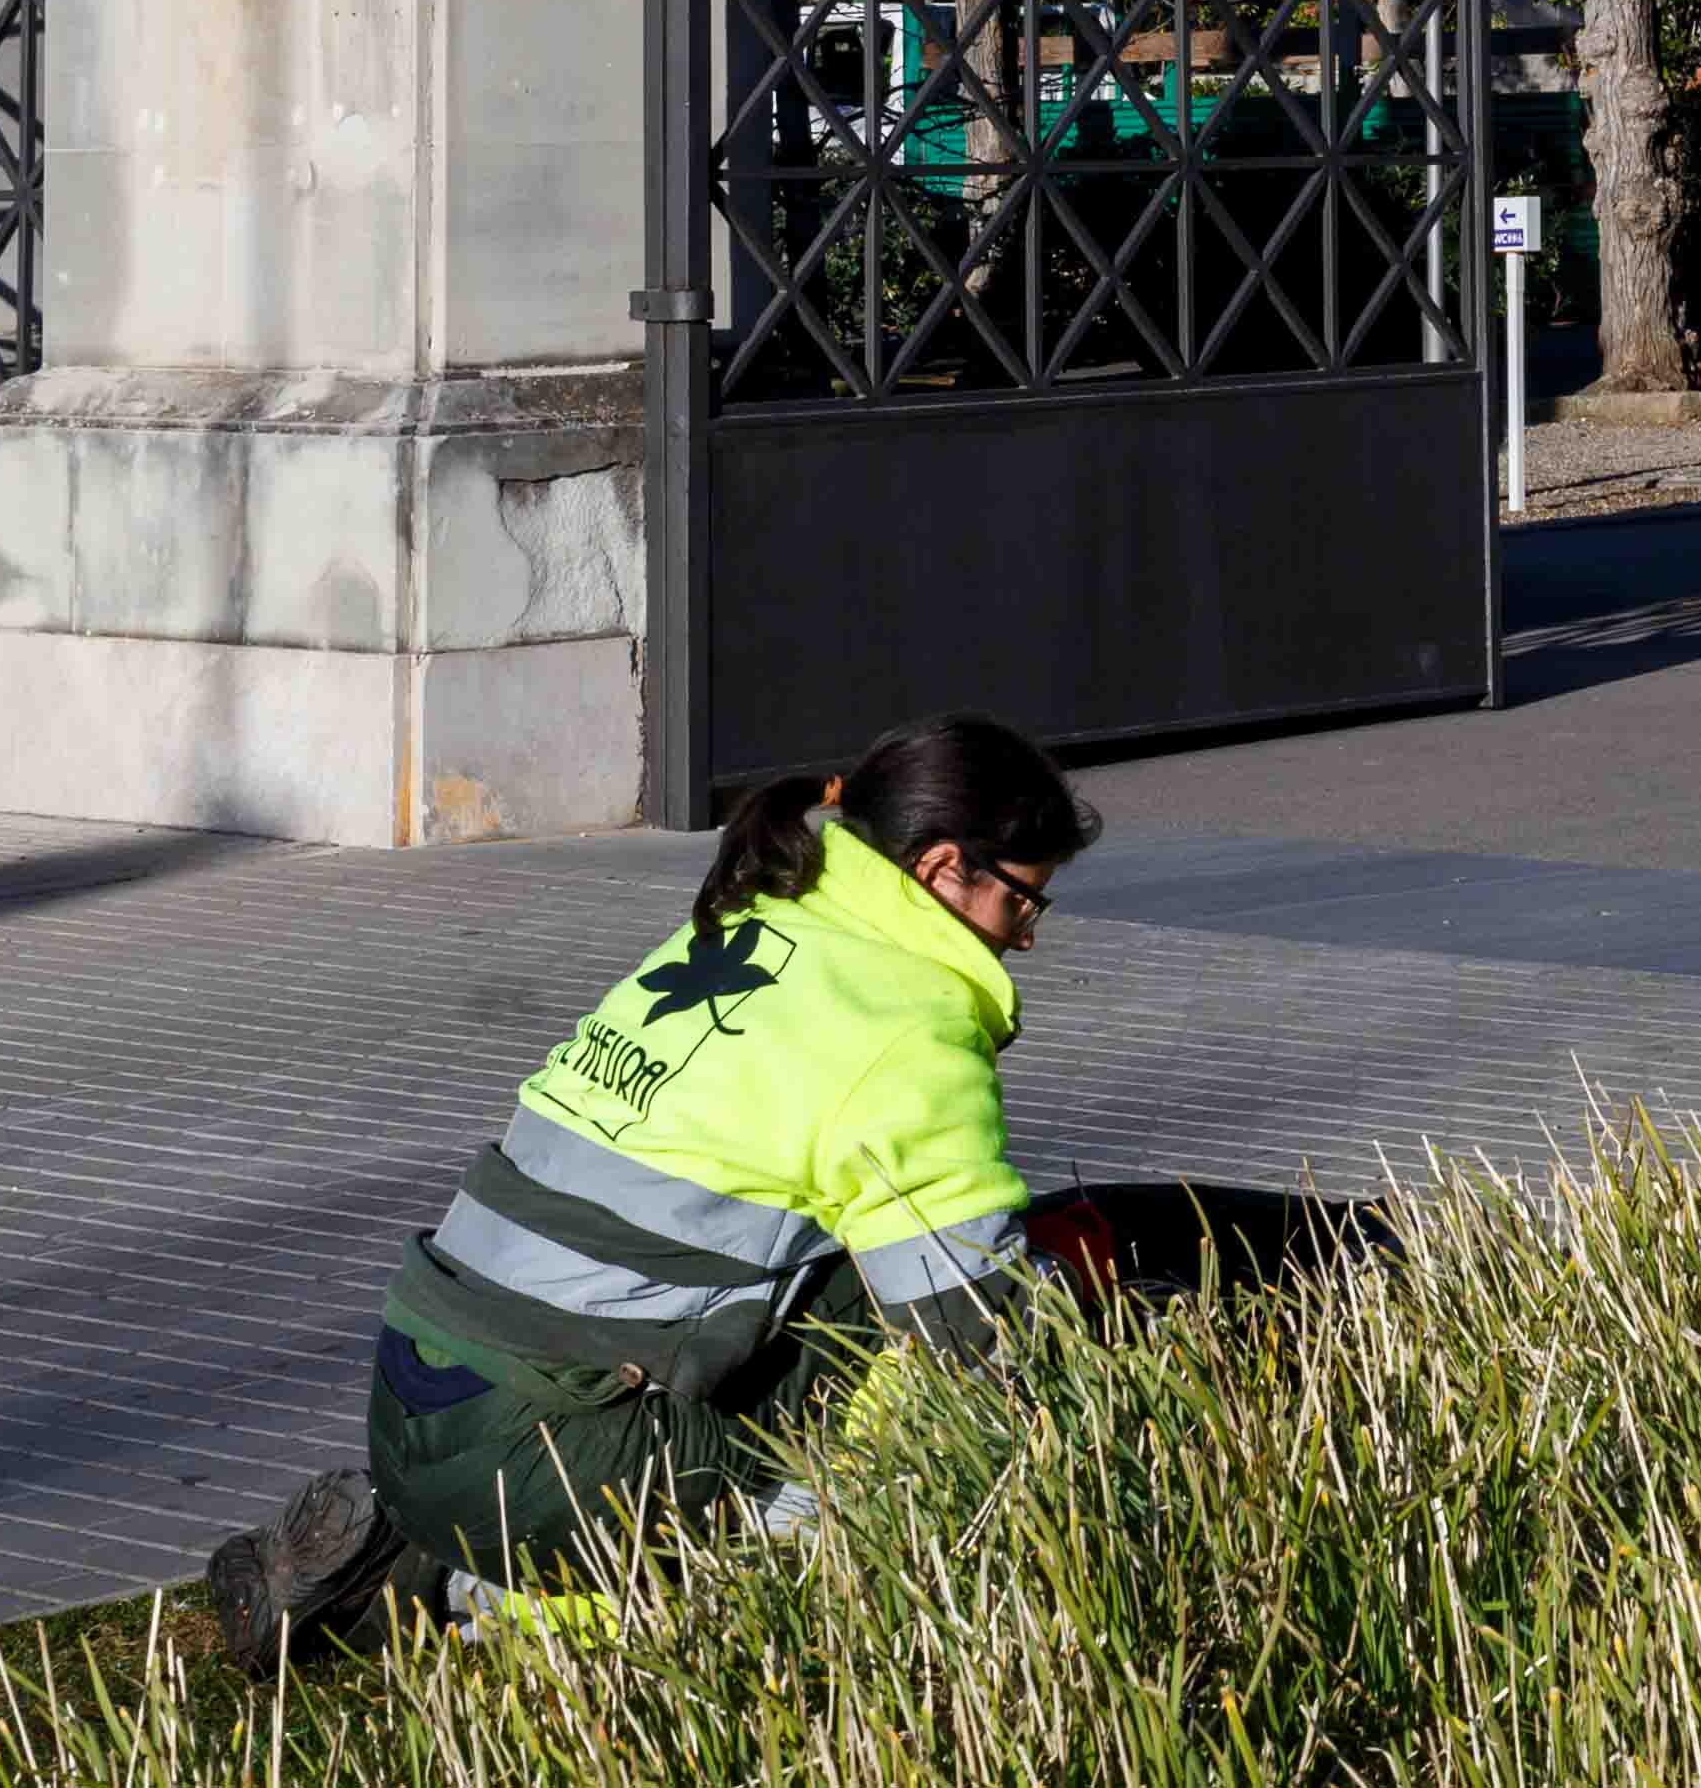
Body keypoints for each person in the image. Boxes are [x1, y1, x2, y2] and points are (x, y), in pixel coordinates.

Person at [202, 713, 1100, 1664]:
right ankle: (499, 1599)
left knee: (838, 1277)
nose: (1027, 939)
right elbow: (973, 1331)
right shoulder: (903, 1027)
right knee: (879, 1404)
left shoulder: (763, 920)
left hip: (424, 1386)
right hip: (545, 1443)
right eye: (1023, 904)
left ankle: (407, 1551)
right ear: (940, 868)